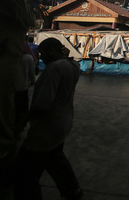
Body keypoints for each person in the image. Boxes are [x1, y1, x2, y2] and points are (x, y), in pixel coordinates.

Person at [14, 37, 82, 200]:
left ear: (52, 50)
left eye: (43, 53)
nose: (41, 57)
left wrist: (22, 123)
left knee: (26, 169)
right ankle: (73, 191)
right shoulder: (73, 66)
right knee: (53, 158)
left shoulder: (54, 69)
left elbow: (41, 105)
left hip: (47, 127)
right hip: (63, 122)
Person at [15, 42, 36, 139]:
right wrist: (32, 81)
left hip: (10, 89)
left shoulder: (10, 56)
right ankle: (18, 130)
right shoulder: (28, 58)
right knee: (21, 111)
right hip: (22, 88)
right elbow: (31, 73)